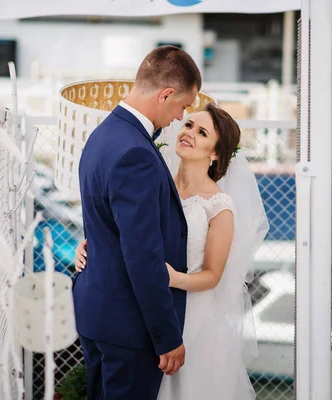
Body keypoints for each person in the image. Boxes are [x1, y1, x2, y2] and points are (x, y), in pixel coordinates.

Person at [75, 103, 269, 399]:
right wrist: (89, 246)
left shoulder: (219, 207)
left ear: (215, 153)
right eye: (189, 124)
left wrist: (171, 278)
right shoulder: (153, 178)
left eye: (202, 132)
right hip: (139, 312)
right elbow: (125, 230)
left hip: (192, 319)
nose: (189, 133)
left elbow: (213, 275)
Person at [73, 45, 202, 400]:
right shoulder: (136, 153)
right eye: (183, 106)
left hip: (98, 313)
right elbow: (142, 255)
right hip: (128, 326)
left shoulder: (102, 136)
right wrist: (167, 336)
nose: (180, 117)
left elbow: (102, 222)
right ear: (165, 94)